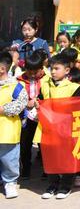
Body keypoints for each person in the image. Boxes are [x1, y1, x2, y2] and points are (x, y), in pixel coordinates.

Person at [40, 54, 80, 199]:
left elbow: (79, 109)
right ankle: (52, 184)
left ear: (67, 71)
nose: (52, 72)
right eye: (51, 68)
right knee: (50, 157)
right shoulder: (45, 85)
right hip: (47, 129)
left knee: (66, 158)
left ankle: (65, 186)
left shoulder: (75, 88)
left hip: (67, 130)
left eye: (56, 68)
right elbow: (41, 103)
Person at [0, 51, 27, 199]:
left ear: (2, 69)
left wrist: (3, 109)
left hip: (7, 131)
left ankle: (10, 182)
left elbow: (21, 104)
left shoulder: (16, 86)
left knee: (9, 159)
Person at [17, 52, 46, 180]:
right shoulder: (19, 80)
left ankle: (47, 169)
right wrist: (26, 104)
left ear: (42, 68)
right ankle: (26, 169)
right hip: (25, 117)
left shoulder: (47, 79)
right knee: (25, 143)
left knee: (44, 144)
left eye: (36, 72)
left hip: (43, 116)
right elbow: (15, 98)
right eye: (30, 72)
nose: (33, 75)